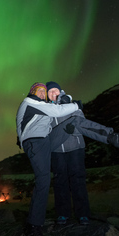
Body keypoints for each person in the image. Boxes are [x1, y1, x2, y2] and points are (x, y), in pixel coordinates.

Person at [16, 82, 119, 236]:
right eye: (41, 90)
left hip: (49, 140)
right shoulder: (31, 102)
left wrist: (69, 103)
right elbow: (52, 113)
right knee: (44, 181)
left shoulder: (44, 105)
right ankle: (34, 227)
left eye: (46, 91)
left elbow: (71, 117)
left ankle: (114, 138)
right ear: (32, 92)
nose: (43, 93)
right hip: (38, 143)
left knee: (75, 121)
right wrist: (77, 103)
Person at [46, 81, 90, 226]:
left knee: (78, 179)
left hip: (75, 146)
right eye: (50, 92)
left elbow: (82, 121)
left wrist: (73, 129)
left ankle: (83, 214)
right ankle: (63, 214)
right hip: (57, 150)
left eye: (55, 90)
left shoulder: (70, 103)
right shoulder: (46, 109)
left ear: (60, 91)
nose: (53, 94)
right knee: (60, 181)